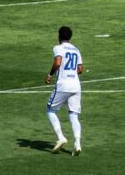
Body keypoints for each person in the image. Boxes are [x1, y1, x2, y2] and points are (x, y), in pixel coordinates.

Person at [45, 24, 85, 155]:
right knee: (74, 115)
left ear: (59, 36)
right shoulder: (76, 49)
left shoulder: (58, 48)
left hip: (63, 84)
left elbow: (57, 62)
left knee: (50, 110)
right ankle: (77, 143)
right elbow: (80, 69)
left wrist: (50, 75)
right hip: (76, 85)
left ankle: (61, 137)